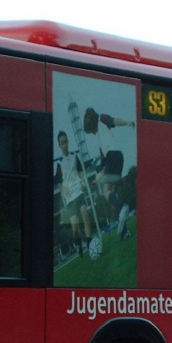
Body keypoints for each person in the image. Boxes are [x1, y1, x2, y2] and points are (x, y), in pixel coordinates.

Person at [82, 107, 134, 239]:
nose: (92, 133)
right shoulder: (101, 142)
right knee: (112, 198)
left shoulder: (102, 119)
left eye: (91, 130)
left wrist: (127, 122)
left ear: (91, 123)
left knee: (105, 191)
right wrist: (96, 180)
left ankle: (122, 208)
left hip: (113, 155)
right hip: (119, 158)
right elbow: (104, 168)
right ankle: (125, 233)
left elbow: (114, 121)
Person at [54, 131, 95, 258]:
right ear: (59, 145)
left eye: (66, 142)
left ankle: (89, 243)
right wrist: (63, 188)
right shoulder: (59, 163)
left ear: (68, 142)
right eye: (62, 143)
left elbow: (81, 171)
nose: (65, 145)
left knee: (85, 213)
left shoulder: (74, 156)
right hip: (70, 197)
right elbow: (58, 181)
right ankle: (79, 245)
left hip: (78, 191)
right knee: (75, 226)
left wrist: (83, 179)